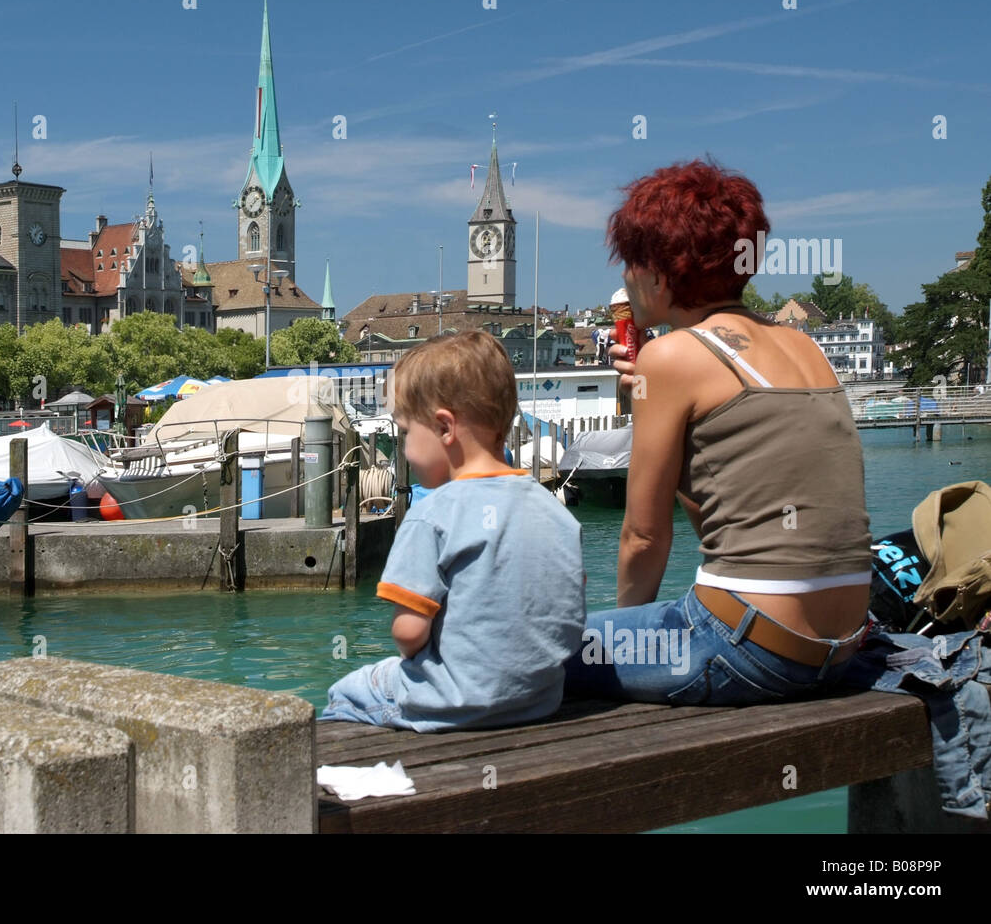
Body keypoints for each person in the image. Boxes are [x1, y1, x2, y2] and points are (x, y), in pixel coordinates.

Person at [564, 158, 873, 706]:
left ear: (659, 272)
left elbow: (644, 537)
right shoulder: (806, 347)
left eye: (632, 262)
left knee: (518, 654)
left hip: (749, 646)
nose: (625, 278)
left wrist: (623, 636)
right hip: (839, 648)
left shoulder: (671, 356)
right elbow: (720, 518)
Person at [320, 330, 586, 732]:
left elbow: (409, 635)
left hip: (450, 702)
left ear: (445, 428)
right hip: (538, 700)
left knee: (348, 689)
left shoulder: (433, 515)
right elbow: (568, 613)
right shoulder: (555, 512)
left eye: (406, 432)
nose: (404, 447)